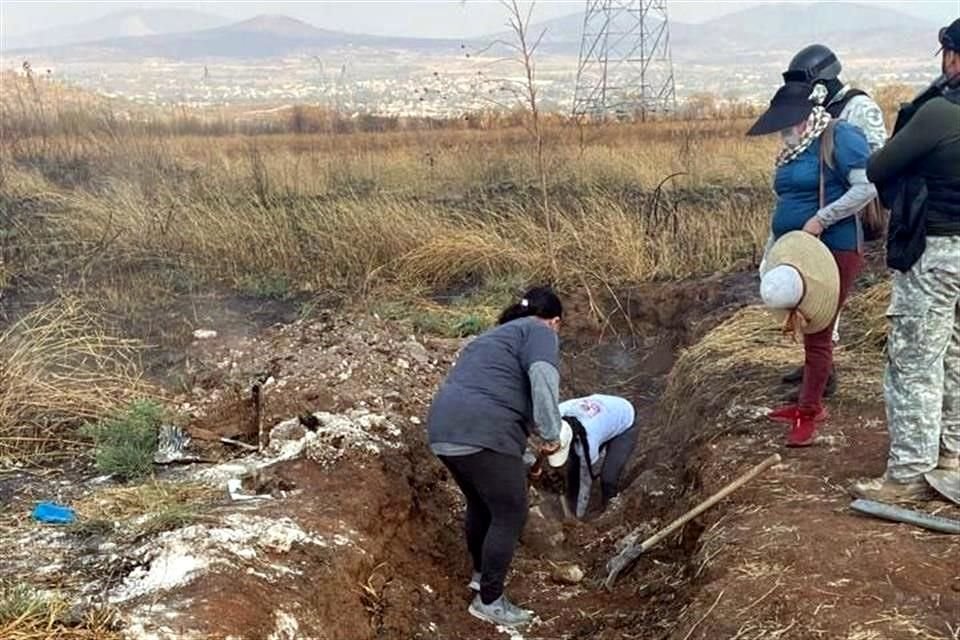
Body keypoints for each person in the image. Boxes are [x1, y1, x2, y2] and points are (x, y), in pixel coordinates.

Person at [852, 19, 960, 502]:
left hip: (935, 251)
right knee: (957, 355)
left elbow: (878, 168)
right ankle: (954, 455)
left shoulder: (938, 113)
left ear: (953, 57)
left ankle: (911, 474)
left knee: (915, 362)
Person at [426, 285, 573, 628]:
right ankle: (489, 600)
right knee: (510, 512)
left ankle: (480, 577)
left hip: (445, 427)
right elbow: (542, 377)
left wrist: (521, 456)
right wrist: (552, 435)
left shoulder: (493, 338)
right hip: (483, 430)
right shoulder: (541, 331)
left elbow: (495, 391)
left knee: (481, 504)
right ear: (555, 321)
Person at [749, 80, 877, 446]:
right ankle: (810, 400)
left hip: (833, 249)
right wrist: (772, 250)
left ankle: (809, 411)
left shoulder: (839, 136)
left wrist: (822, 218)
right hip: (795, 252)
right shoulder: (793, 150)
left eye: (787, 125)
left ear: (806, 117)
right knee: (807, 327)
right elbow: (786, 202)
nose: (783, 133)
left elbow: (865, 188)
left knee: (819, 328)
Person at [778, 44, 889, 397]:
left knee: (828, 298)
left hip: (846, 210)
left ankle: (823, 370)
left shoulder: (859, 107)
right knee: (816, 297)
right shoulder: (821, 110)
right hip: (823, 213)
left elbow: (875, 158)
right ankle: (819, 364)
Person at [558, 394, 637, 519]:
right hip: (605, 413)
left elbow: (585, 479)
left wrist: (576, 518)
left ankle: (608, 513)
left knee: (608, 478)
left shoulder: (588, 441)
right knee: (573, 466)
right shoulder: (557, 412)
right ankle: (572, 499)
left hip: (624, 419)